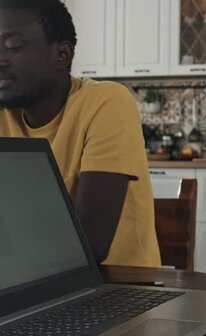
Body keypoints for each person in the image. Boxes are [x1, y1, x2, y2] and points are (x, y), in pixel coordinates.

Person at [0, 0, 160, 267]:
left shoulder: (106, 101)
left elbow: (89, 246)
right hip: (29, 281)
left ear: (62, 54)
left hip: (118, 287)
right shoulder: (5, 112)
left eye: (12, 46)